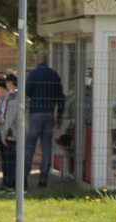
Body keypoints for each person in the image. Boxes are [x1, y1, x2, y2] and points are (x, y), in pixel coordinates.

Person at [25, 50, 65, 188]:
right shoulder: (54, 75)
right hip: (50, 114)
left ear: (37, 60)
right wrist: (60, 114)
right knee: (46, 146)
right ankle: (43, 179)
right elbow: (61, 97)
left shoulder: (33, 73)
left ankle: (24, 177)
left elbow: (27, 91)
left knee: (30, 145)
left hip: (35, 113)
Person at [0, 73, 19, 192]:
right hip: (19, 133)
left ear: (10, 83)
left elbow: (9, 117)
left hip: (12, 134)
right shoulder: (21, 94)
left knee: (10, 161)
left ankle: (10, 186)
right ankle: (13, 185)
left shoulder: (12, 96)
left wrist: (4, 133)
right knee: (14, 161)